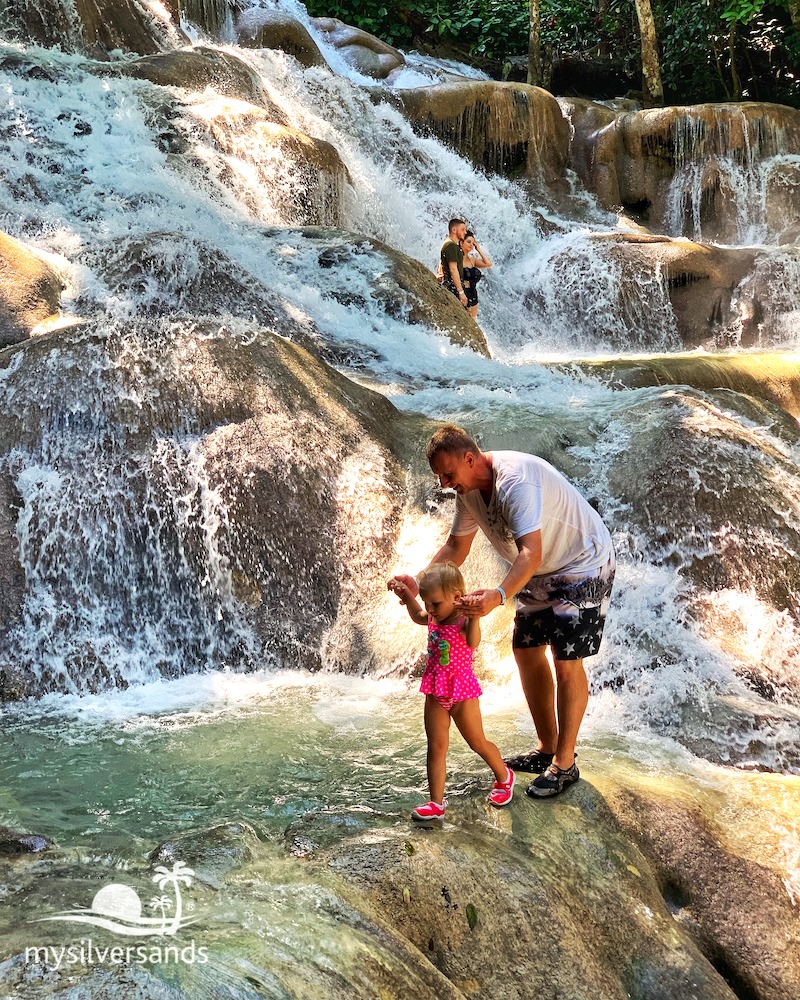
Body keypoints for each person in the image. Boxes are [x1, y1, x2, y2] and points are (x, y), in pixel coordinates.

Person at [388, 425, 615, 799]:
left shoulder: (515, 482)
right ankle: (546, 748)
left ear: (470, 458)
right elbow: (456, 548)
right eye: (439, 477)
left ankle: (564, 761)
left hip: (582, 562)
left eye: (448, 474)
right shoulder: (470, 493)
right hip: (541, 571)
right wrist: (419, 582)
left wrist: (497, 595)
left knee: (565, 661)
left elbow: (531, 552)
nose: (445, 484)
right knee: (525, 651)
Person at [389, 561, 515, 824]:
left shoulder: (462, 621)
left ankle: (504, 776)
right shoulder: (433, 615)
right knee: (436, 746)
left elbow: (473, 642)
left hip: (462, 691)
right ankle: (436, 802)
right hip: (435, 689)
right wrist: (407, 596)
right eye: (427, 603)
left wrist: (475, 617)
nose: (430, 610)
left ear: (456, 597)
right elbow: (417, 616)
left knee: (477, 741)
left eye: (435, 604)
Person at [459, 231, 492, 320]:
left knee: (473, 321)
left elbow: (488, 264)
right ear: (461, 242)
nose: (471, 245)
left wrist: (479, 249)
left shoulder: (472, 260)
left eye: (473, 243)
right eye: (468, 242)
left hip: (473, 292)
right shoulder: (456, 259)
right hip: (462, 292)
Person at [439, 218, 468, 308]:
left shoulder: (450, 244)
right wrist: (461, 292)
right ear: (454, 230)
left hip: (452, 285)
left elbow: (442, 261)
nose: (465, 232)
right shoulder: (451, 246)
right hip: (452, 287)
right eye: (463, 229)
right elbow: (453, 269)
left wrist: (440, 272)